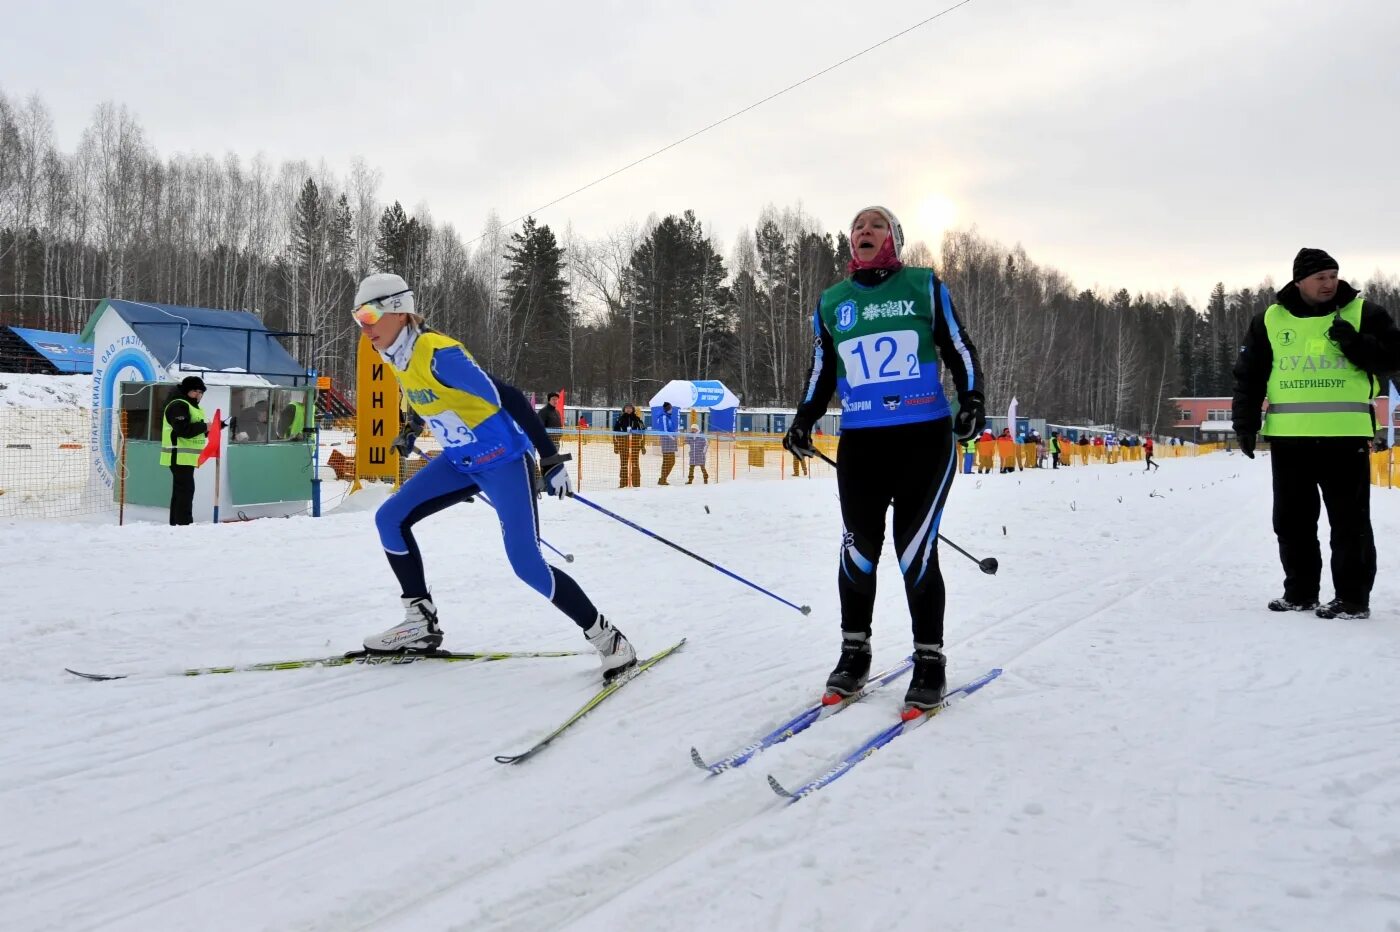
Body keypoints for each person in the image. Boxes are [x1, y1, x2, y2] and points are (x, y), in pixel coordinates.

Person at [351, 273, 637, 678]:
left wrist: (549, 458)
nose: (363, 326)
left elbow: (513, 398)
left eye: (368, 314)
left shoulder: (438, 353)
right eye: (356, 317)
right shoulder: (396, 355)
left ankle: (609, 639)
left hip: (504, 461)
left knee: (526, 564)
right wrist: (411, 429)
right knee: (389, 519)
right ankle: (420, 624)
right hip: (460, 461)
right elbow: (421, 397)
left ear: (398, 311)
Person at [782, 205, 984, 711]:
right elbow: (822, 370)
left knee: (914, 550)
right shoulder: (834, 302)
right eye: (856, 226)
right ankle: (855, 652)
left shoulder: (924, 286)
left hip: (924, 438)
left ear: (893, 237)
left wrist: (973, 402)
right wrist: (804, 418)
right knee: (858, 550)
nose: (864, 231)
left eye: (875, 225)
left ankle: (930, 660)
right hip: (863, 442)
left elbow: (958, 348)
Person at [1232, 248, 1400, 620]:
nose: (1329, 283)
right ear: (1299, 282)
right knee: (1292, 521)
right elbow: (1250, 375)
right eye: (1320, 277)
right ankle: (1301, 593)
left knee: (1349, 523)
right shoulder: (1270, 320)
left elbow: (1394, 359)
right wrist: (1244, 423)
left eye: (1333, 275)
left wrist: (1357, 344)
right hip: (1290, 439)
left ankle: (1352, 600)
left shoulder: (1364, 313)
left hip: (1345, 437)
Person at [162, 375, 209, 526]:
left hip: (185, 457)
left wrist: (216, 426)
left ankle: (176, 523)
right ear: (187, 390)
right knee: (185, 491)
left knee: (181, 491)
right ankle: (184, 524)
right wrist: (205, 427)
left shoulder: (192, 407)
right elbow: (183, 429)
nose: (199, 395)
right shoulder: (178, 405)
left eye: (201, 392)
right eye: (196, 391)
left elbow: (197, 430)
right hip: (178, 455)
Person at [613, 403, 645, 488]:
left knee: (635, 464)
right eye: (626, 408)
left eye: (630, 408)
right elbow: (614, 432)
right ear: (624, 409)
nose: (628, 409)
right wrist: (615, 446)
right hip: (623, 444)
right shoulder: (620, 419)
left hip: (634, 444)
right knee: (623, 464)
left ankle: (636, 484)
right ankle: (623, 484)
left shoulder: (637, 419)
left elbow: (643, 431)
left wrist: (642, 446)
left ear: (633, 409)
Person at [656, 401, 679, 485]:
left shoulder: (668, 417)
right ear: (666, 409)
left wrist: (675, 433)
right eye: (670, 408)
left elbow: (670, 429)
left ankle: (663, 479)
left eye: (671, 408)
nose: (671, 410)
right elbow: (665, 430)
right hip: (666, 440)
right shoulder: (664, 417)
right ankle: (663, 479)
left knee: (670, 461)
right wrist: (672, 437)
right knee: (668, 461)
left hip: (671, 440)